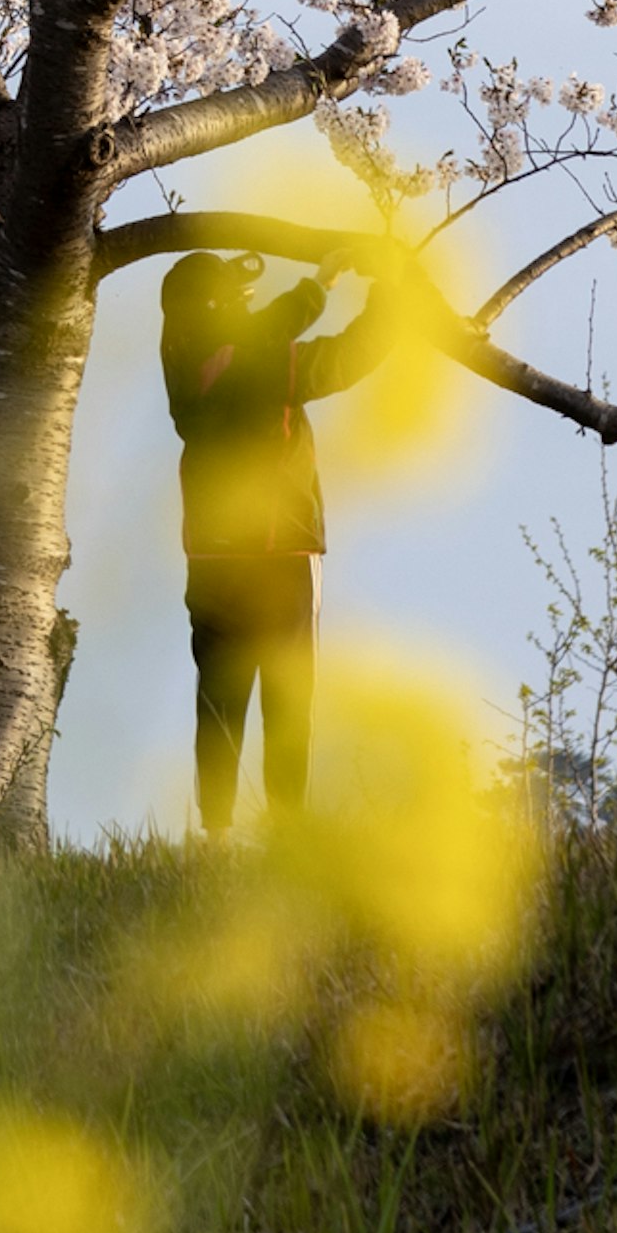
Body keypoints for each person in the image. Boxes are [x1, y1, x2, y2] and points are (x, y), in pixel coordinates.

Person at [157, 249, 378, 832]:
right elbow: (352, 355)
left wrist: (314, 290)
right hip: (282, 554)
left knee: (218, 697)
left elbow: (266, 330)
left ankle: (216, 833)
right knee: (288, 697)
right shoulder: (263, 363)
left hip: (212, 556)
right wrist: (366, 298)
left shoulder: (182, 363)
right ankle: (285, 829)